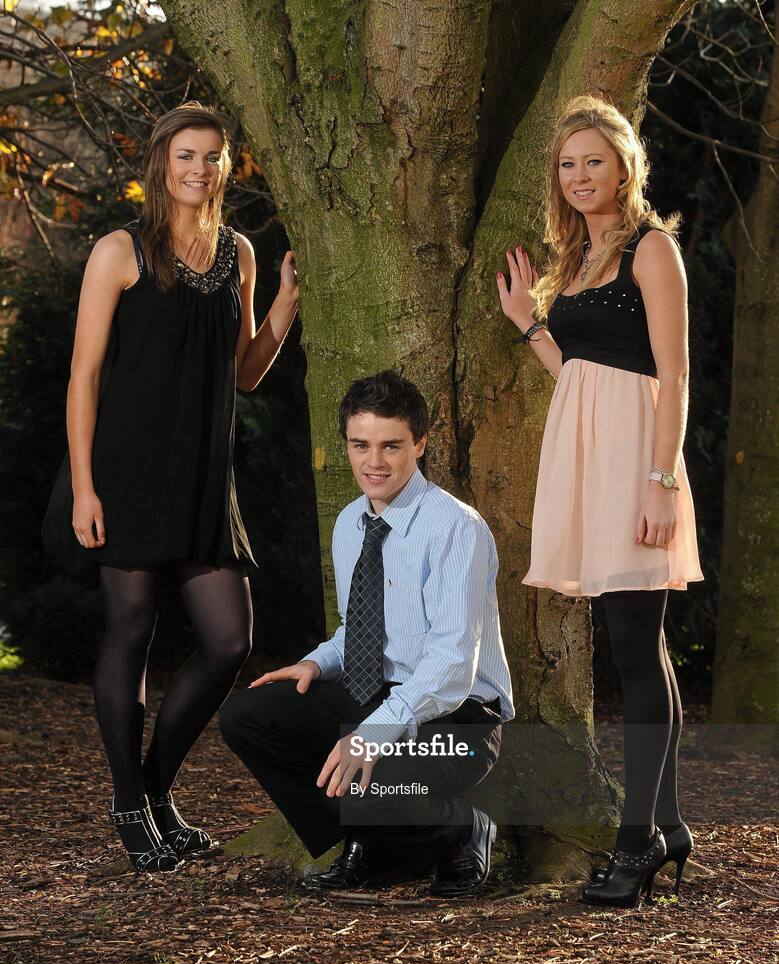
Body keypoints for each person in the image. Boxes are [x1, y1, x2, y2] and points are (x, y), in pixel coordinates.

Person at [42, 101, 299, 873]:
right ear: (160, 163)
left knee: (229, 642)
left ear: (226, 165)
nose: (199, 168)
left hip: (202, 475)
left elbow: (245, 373)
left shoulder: (240, 254)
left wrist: (284, 301)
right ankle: (131, 802)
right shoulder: (120, 251)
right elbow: (84, 376)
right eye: (186, 155)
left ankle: (152, 787)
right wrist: (85, 488)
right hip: (124, 470)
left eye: (212, 156)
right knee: (131, 633)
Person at [496, 94, 702, 908]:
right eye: (567, 164)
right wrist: (529, 326)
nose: (580, 176)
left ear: (624, 167)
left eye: (594, 161)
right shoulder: (574, 259)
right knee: (633, 644)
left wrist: (660, 482)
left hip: (639, 466)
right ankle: (670, 824)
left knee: (632, 644)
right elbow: (581, 377)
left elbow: (672, 375)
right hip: (588, 455)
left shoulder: (653, 249)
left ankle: (636, 841)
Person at [219, 371, 514, 896]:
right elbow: (359, 631)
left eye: (390, 446)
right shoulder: (350, 523)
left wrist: (371, 732)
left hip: (459, 719)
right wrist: (318, 661)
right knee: (248, 716)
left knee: (362, 775)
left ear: (419, 444)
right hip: (377, 695)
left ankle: (462, 830)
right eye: (360, 445)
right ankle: (366, 837)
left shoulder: (456, 528)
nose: (373, 462)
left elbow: (451, 662)